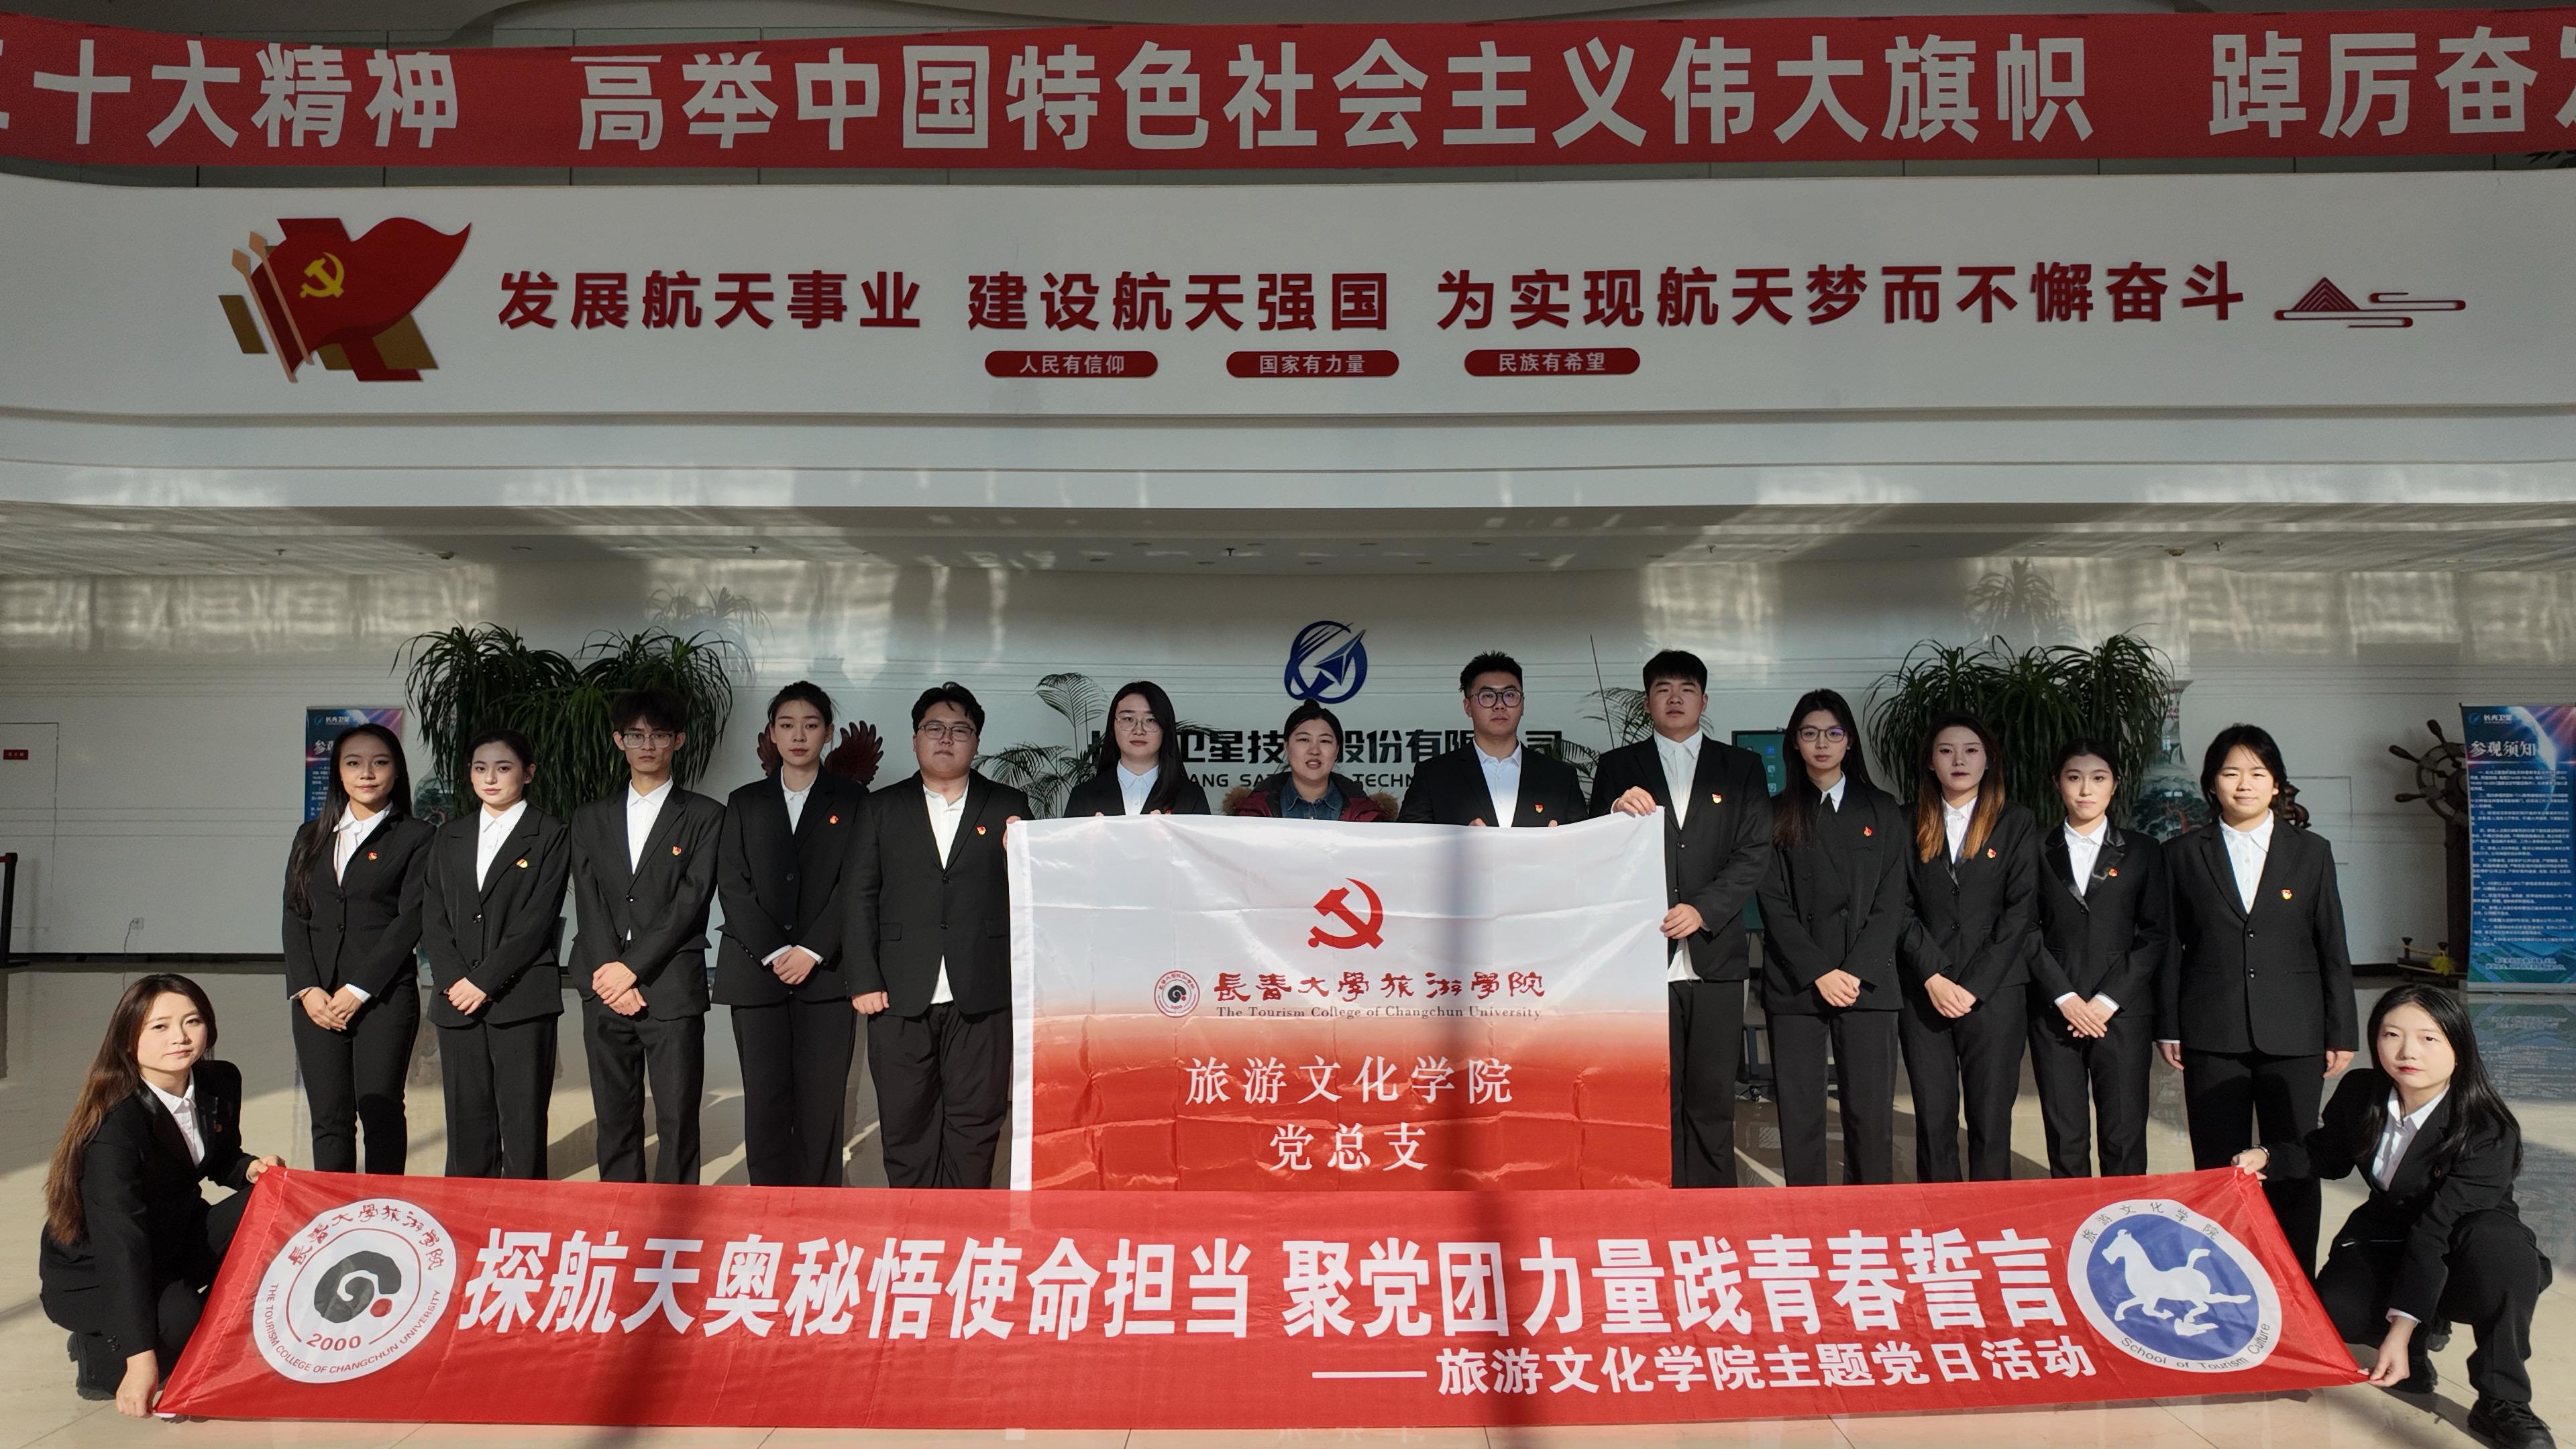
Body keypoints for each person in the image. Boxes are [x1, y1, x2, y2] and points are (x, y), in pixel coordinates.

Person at [2235, 985, 2555, 1449]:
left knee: (2500, 1252)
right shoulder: (2361, 1091)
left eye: (2428, 1038)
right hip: (2387, 1235)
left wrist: (2400, 1331)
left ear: (2459, 1048)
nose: (2407, 1052)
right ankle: (2420, 1335)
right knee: (2336, 1312)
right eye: (2392, 1035)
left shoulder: (2487, 1127)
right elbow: (2328, 1154)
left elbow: (2436, 1229)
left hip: (2467, 1249)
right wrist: (2266, 1157)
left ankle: (2503, 1399)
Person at [2159, 722, 2356, 1275]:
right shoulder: (2182, 854)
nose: (2243, 784)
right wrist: (2169, 1025)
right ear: (2211, 784)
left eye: (2257, 773)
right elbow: (2170, 946)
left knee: (2293, 1158)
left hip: (2295, 1030)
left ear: (2276, 784)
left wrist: (2341, 1029)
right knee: (2215, 1161)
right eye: (2231, 773)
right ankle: (2218, 1274)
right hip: (2211, 1027)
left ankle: (2295, 1282)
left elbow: (2332, 943)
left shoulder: (2311, 852)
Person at [40, 975, 282, 1415]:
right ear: (127, 1040)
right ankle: (102, 1357)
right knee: (180, 1317)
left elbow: (219, 1157)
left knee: (271, 1202)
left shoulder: (220, 1080)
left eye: (192, 1021)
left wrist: (250, 1169)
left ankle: (199, 1331)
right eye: (160, 1027)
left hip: (172, 1235)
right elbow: (121, 1245)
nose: (180, 1037)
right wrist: (139, 1362)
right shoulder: (115, 1126)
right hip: (96, 1269)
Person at [1590, 649, 1775, 1188]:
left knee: (1713, 1095)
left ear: (1704, 701)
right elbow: (1595, 849)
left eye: (1687, 689)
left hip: (1716, 954)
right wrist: (1613, 813)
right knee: (1655, 1093)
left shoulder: (1739, 767)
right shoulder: (1618, 767)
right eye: (1663, 689)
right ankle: (1659, 1200)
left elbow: (1754, 852)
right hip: (1644, 954)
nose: (1675, 698)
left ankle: (1713, 1207)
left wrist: (1703, 909)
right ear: (1648, 702)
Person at [847, 683, 1034, 1188]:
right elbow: (859, 895)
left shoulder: (1007, 805)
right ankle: (913, 1225)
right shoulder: (881, 807)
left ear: (977, 743)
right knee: (905, 1120)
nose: (946, 738)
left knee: (977, 1121)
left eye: (960, 730)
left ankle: (964, 1224)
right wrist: (863, 978)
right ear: (915, 739)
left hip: (985, 989)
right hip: (897, 992)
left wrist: (1018, 857)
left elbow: (1033, 893)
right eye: (934, 728)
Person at [568, 687, 725, 1185]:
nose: (647, 745)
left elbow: (691, 901)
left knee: (678, 1117)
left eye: (659, 735)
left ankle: (676, 1217)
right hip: (602, 984)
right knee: (614, 1116)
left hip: (671, 983)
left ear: (678, 740)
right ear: (619, 741)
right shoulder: (589, 817)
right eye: (635, 736)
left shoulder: (705, 815)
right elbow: (588, 900)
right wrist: (611, 973)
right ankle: (620, 1214)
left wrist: (630, 968)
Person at [716, 680, 867, 1187]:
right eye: (787, 725)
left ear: (828, 733)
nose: (798, 735)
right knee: (765, 1100)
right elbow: (732, 884)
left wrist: (813, 950)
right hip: (756, 975)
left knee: (822, 1104)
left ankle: (818, 1214)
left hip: (827, 976)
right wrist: (778, 950)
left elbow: (858, 883)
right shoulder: (744, 801)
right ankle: (766, 1212)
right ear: (772, 734)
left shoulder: (854, 800)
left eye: (810, 725)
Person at [1756, 689, 1908, 1187]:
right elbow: (1773, 904)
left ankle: (1870, 1214)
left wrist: (1854, 970)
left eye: (1833, 733)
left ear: (1849, 742)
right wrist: (1819, 971)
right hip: (1797, 982)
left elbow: (1892, 899)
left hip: (1868, 981)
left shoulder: (1882, 809)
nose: (1822, 743)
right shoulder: (1775, 812)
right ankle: (1807, 1215)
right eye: (1810, 733)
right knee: (1799, 1112)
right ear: (1795, 743)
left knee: (1870, 1114)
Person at [419, 729, 572, 1180]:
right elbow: (433, 914)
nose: (490, 778)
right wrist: (455, 980)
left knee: (523, 1123)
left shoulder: (550, 833)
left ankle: (521, 1214)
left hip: (521, 998)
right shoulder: (450, 835)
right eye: (480, 768)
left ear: (528, 773)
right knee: (466, 1122)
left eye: (503, 768)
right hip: (457, 999)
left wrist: (483, 981)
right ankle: (466, 1212)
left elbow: (538, 920)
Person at [280, 722, 431, 1175]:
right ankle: (335, 1210)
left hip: (383, 997)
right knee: (329, 1119)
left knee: (380, 1112)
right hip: (317, 1000)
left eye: (380, 762)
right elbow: (295, 915)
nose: (367, 773)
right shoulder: (311, 836)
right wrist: (307, 988)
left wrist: (359, 989)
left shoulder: (417, 837)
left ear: (397, 772)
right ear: (338, 773)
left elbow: (411, 920)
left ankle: (384, 1207)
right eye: (353, 763)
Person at [1897, 712, 2039, 1183]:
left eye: (1971, 750)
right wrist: (1933, 975)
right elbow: (1897, 906)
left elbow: (2020, 911)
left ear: (1988, 759)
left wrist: (1974, 986)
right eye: (1946, 751)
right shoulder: (1906, 820)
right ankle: (1940, 1218)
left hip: (1995, 993)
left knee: (1991, 1119)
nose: (1959, 760)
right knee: (1933, 1119)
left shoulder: (2016, 821)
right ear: (1930, 762)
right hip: (1925, 992)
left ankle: (1991, 1216)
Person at [2026, 738, 2170, 1178]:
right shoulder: (2033, 847)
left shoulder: (2144, 850)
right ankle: (2073, 1217)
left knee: (2123, 1136)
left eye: (2098, 778)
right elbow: (2024, 929)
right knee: (2064, 1135)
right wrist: (2065, 997)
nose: (2086, 789)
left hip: (2122, 1012)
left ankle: (2123, 1214)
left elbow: (2155, 933)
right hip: (2055, 1011)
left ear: (2115, 784)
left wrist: (2107, 1000)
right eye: (2074, 778)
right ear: (2057, 783)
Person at [1398, 651, 1587, 826]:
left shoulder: (1560, 778)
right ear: (1468, 707)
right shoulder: (1433, 776)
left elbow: (1585, 844)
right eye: (1488, 696)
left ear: (1522, 705)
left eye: (1510, 695)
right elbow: (1409, 843)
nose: (1499, 705)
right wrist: (1460, 842)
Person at [1063, 680, 1212, 816]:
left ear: (1165, 728)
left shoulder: (1190, 797)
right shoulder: (1083, 796)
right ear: (1113, 728)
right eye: (1128, 719)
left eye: (1151, 720)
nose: (1139, 730)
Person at [1229, 701, 1391, 822]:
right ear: (1287, 747)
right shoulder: (1252, 812)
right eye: (1304, 740)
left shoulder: (1366, 815)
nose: (1314, 750)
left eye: (1325, 741)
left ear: (1337, 750)